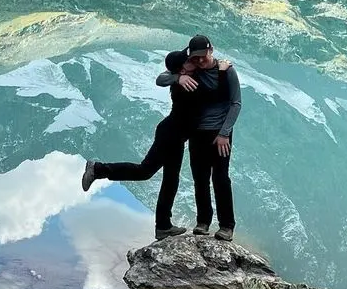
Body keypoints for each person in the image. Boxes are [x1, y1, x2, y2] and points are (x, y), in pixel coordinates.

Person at [81, 48, 197, 239]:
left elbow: (165, 76)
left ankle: (163, 226)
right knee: (145, 171)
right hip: (170, 135)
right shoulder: (184, 83)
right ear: (182, 69)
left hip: (175, 136)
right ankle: (97, 169)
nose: (193, 61)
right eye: (188, 61)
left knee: (170, 180)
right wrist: (178, 78)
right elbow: (161, 78)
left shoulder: (186, 76)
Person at [158, 33, 240, 240]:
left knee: (221, 178)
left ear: (211, 50)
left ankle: (226, 226)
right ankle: (203, 221)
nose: (201, 60)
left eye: (204, 56)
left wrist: (224, 133)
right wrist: (179, 77)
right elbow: (162, 78)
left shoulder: (227, 71)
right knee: (200, 179)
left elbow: (236, 103)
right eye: (196, 57)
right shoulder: (193, 70)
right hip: (197, 133)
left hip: (220, 134)